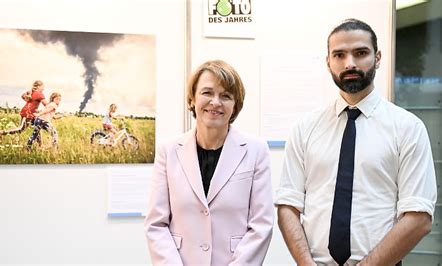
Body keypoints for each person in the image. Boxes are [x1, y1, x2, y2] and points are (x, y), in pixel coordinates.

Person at [274, 18, 437, 266]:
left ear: (378, 57)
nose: (349, 63)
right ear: (328, 61)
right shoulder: (305, 128)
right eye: (339, 55)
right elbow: (288, 205)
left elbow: (419, 217)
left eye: (360, 53)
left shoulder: (407, 128)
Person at [144, 60, 274, 265]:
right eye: (207, 93)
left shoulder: (256, 150)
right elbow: (156, 224)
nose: (215, 102)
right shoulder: (168, 151)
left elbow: (261, 225)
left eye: (226, 96)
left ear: (235, 105)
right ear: (193, 98)